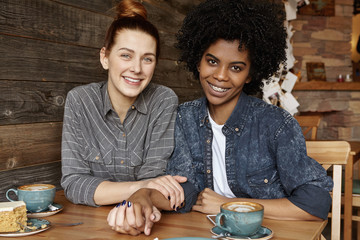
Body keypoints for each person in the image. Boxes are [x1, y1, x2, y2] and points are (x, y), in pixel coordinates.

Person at [107, 0, 333, 236]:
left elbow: (315, 204)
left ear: (250, 74)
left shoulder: (276, 125)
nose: (220, 76)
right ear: (198, 60)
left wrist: (228, 206)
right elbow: (185, 191)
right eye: (212, 61)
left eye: (236, 68)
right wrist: (144, 196)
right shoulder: (184, 118)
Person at [61, 0, 186, 211]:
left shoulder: (163, 100)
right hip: (91, 224)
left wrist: (147, 186)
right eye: (126, 55)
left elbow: (154, 182)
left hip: (144, 216)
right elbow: (74, 184)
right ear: (105, 57)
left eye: (147, 59)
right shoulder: (80, 101)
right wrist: (142, 186)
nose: (136, 68)